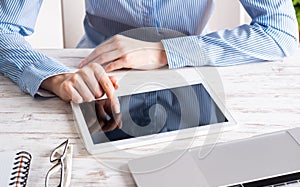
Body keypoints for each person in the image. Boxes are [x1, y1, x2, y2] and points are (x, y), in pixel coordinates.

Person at [0, 0, 298, 107]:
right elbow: (3, 28)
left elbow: (279, 32)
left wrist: (162, 51)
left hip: (187, 74)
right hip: (94, 78)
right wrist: (54, 76)